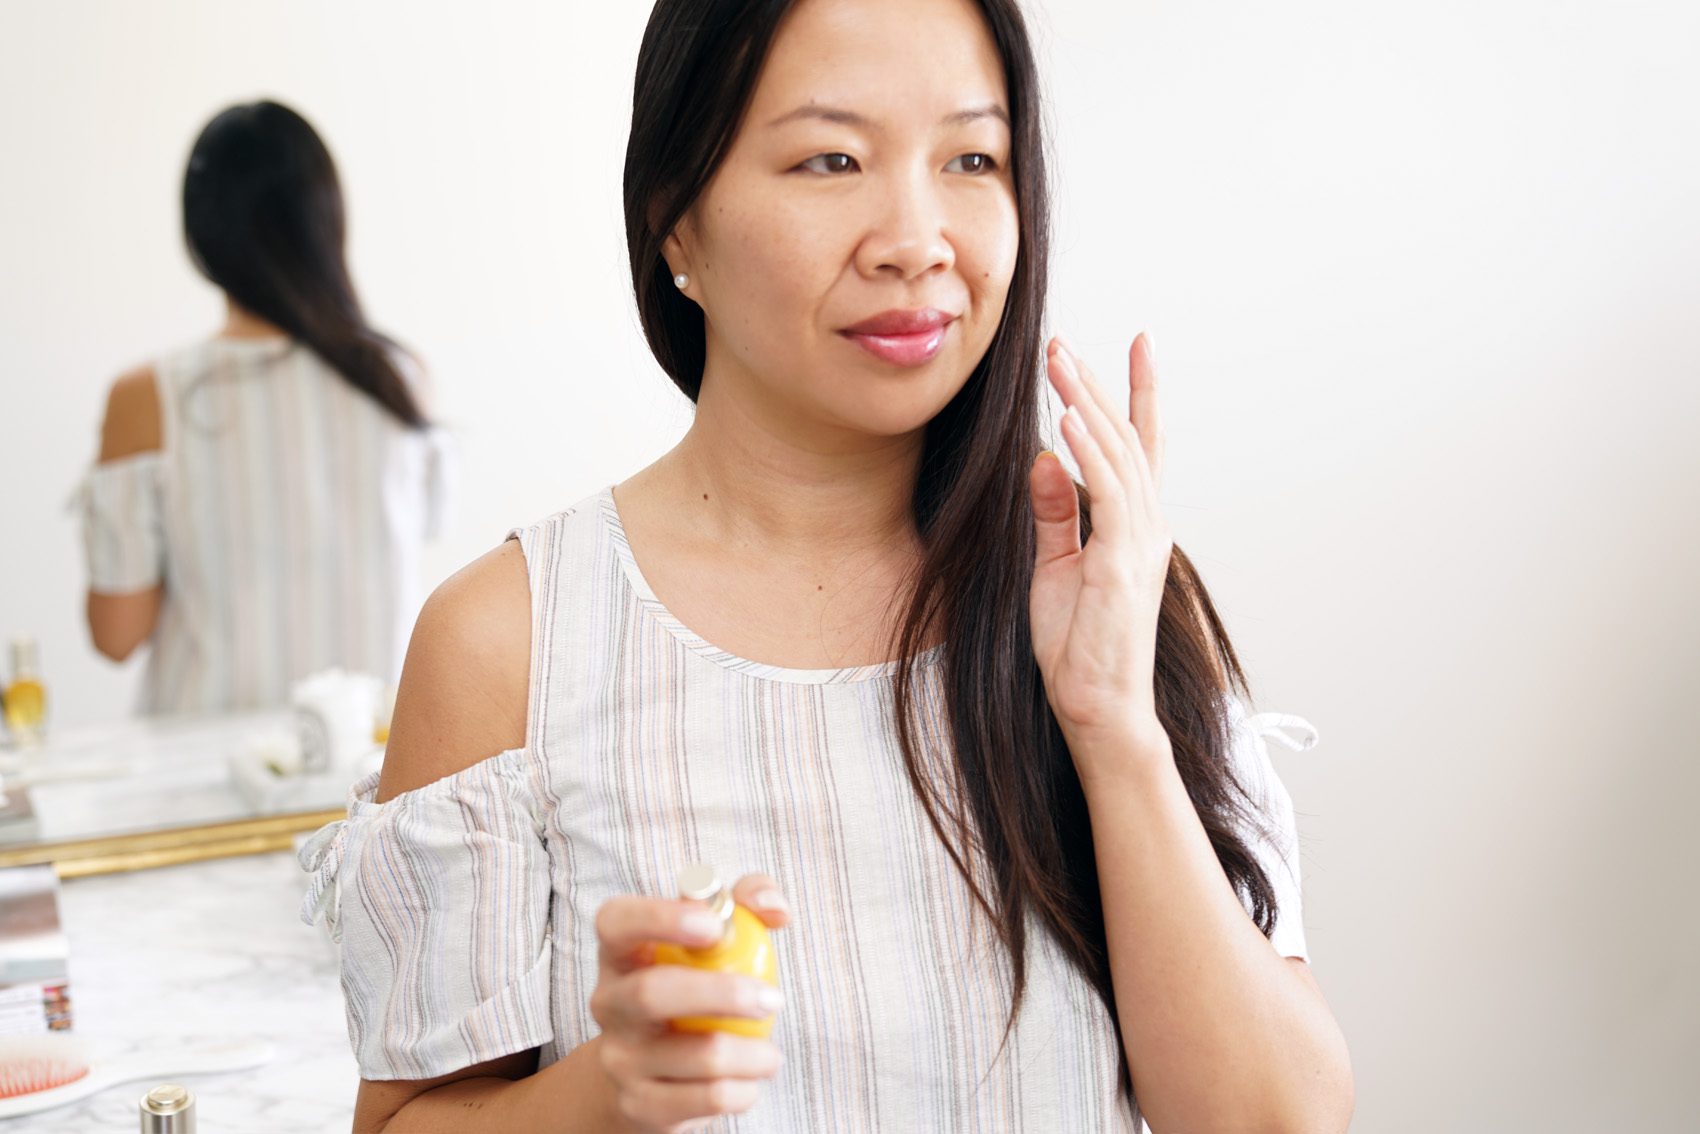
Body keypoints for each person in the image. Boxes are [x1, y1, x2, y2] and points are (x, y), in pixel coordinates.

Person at [299, 1, 1354, 1130]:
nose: (916, 241)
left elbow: (1275, 1121)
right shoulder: (511, 642)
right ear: (674, 221)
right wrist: (607, 1092)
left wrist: (1113, 731)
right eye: (831, 159)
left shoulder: (1103, 585)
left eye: (971, 158)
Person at [74, 100, 453, 716]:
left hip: (202, 765)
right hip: (370, 759)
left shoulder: (151, 395)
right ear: (328, 218)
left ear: (203, 233)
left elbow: (117, 635)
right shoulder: (399, 379)